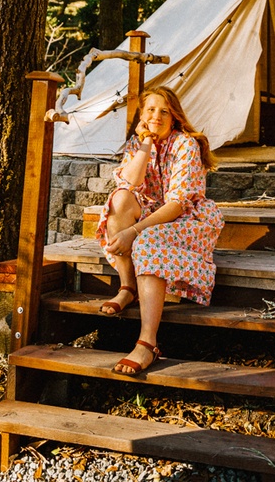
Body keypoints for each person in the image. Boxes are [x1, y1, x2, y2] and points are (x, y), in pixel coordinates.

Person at [95, 85, 224, 375]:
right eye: (150, 109)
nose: (157, 115)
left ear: (174, 117)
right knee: (119, 199)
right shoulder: (138, 144)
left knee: (146, 241)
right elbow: (128, 182)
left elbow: (178, 204)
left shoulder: (185, 145)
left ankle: (147, 343)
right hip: (153, 213)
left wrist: (134, 231)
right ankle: (128, 287)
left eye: (164, 111)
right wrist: (145, 144)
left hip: (187, 220)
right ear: (142, 114)